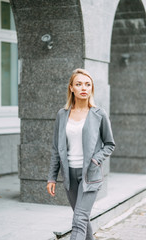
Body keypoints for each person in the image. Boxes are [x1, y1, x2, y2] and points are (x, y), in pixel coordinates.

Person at [47, 68, 115, 240]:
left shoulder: (99, 114)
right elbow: (57, 148)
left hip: (90, 174)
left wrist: (95, 160)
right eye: (79, 84)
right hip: (69, 175)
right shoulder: (62, 115)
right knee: (82, 218)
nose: (83, 88)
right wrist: (51, 177)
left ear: (91, 88)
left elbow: (109, 144)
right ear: (71, 88)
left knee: (79, 220)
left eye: (87, 84)